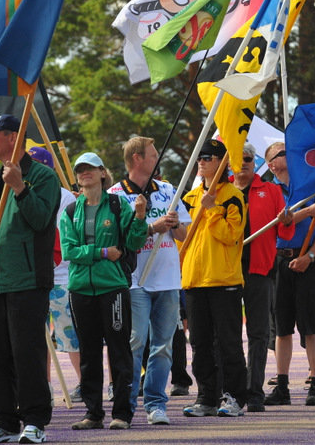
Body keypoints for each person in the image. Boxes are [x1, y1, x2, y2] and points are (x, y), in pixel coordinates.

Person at [0, 114, 61, 444]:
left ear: (13, 138)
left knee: (28, 353)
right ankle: (4, 422)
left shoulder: (44, 177)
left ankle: (35, 421)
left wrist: (19, 186)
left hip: (29, 281)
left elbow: (40, 220)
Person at [60, 151, 148, 430]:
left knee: (119, 351)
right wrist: (101, 251)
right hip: (80, 290)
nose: (84, 173)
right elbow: (69, 251)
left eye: (90, 168)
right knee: (88, 352)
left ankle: (122, 413)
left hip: (113, 288)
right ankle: (93, 413)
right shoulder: (71, 211)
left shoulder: (118, 204)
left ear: (102, 173)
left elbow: (133, 241)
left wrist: (140, 217)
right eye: (80, 170)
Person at [108, 136, 189, 425]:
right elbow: (118, 241)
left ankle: (156, 404)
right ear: (138, 159)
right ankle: (125, 406)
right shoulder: (115, 195)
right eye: (153, 155)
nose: (158, 159)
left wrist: (174, 223)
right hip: (134, 281)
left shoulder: (168, 190)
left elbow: (184, 237)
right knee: (135, 343)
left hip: (167, 280)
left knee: (164, 346)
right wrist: (153, 227)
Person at [180, 139, 248, 418]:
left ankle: (234, 398)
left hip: (224, 281)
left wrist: (211, 209)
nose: (202, 161)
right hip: (194, 281)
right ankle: (206, 397)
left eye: (209, 157)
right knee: (199, 343)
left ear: (222, 163)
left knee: (229, 343)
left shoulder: (234, 195)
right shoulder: (189, 197)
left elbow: (231, 236)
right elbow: (183, 239)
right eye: (200, 157)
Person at [262, 141, 315, 407]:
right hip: (279, 263)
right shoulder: (268, 191)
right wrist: (306, 212)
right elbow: (279, 223)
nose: (288, 154)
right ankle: (282, 385)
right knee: (282, 329)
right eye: (281, 153)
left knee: (311, 326)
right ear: (271, 164)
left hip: (308, 263)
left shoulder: (312, 187)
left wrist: (310, 256)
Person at [231, 143, 286, 411]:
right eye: (237, 158)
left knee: (259, 334)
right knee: (227, 334)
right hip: (226, 272)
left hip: (259, 270)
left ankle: (254, 393)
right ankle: (230, 390)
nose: (243, 162)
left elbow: (285, 234)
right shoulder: (219, 191)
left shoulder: (271, 190)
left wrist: (288, 220)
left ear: (256, 163)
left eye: (248, 158)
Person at [29, 147, 81, 404]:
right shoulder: (22, 194)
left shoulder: (65, 198)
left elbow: (64, 235)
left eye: (35, 164)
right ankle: (43, 387)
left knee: (71, 336)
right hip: (31, 279)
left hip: (62, 278)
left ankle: (84, 383)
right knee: (37, 339)